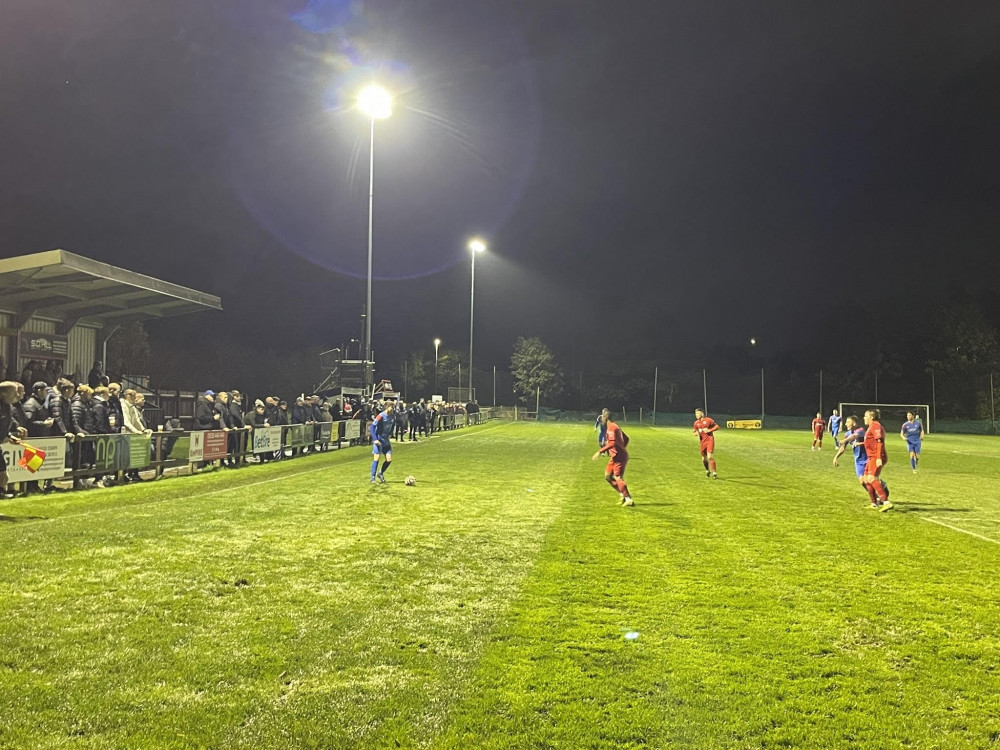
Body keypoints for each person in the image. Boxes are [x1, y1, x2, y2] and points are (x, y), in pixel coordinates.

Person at [833, 414, 888, 507]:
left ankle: (879, 494)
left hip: (867, 458)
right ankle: (876, 496)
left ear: (853, 423)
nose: (846, 424)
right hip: (858, 461)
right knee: (862, 481)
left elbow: (854, 436)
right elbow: (843, 447)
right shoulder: (847, 433)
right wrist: (836, 457)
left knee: (869, 479)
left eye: (848, 422)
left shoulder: (861, 430)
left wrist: (846, 439)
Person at [592, 412, 633, 506]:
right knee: (607, 476)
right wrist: (621, 448)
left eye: (602, 418)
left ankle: (628, 499)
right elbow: (626, 439)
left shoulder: (611, 428)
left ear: (605, 419)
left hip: (619, 457)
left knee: (618, 477)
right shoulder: (615, 426)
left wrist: (600, 451)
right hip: (615, 456)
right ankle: (622, 493)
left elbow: (612, 444)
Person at [862, 409, 892, 512]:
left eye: (866, 416)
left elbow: (879, 441)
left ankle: (886, 502)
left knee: (871, 478)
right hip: (871, 457)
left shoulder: (875, 425)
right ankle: (874, 503)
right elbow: (871, 441)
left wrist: (879, 457)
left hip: (876, 456)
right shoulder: (871, 427)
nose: (864, 418)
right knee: (865, 479)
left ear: (871, 417)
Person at [0, 381, 24, 498]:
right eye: (14, 393)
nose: (18, 396)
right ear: (3, 393)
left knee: (4, 477)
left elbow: (4, 426)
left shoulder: (8, 406)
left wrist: (9, 435)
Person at [369, 401, 396, 483]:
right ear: (387, 407)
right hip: (379, 440)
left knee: (389, 459)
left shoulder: (392, 416)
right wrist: (375, 439)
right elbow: (372, 427)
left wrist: (390, 433)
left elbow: (393, 425)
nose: (393, 409)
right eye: (392, 407)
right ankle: (372, 478)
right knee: (376, 458)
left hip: (386, 441)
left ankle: (380, 473)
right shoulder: (380, 416)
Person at [693, 407, 719, 479]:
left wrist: (709, 430)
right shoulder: (696, 423)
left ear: (702, 413)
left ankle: (714, 473)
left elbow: (717, 426)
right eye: (695, 413)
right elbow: (694, 432)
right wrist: (697, 433)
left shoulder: (708, 420)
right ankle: (707, 470)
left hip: (710, 440)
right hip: (702, 442)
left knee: (710, 456)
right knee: (704, 459)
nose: (696, 415)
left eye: (698, 413)